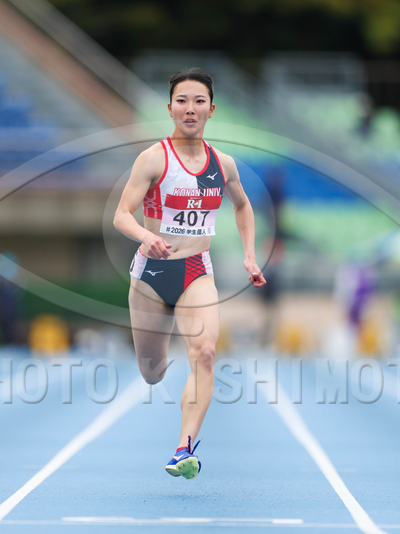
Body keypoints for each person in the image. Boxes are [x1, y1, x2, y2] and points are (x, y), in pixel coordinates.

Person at [113, 68, 266, 479]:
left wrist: (250, 255)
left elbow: (243, 205)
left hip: (196, 271)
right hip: (151, 275)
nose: (190, 108)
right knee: (152, 372)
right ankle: (161, 365)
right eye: (182, 101)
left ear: (211, 110)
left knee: (205, 353)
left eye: (199, 101)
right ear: (170, 108)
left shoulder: (223, 164)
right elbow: (121, 215)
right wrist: (146, 236)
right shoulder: (153, 159)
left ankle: (184, 448)